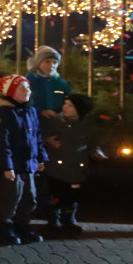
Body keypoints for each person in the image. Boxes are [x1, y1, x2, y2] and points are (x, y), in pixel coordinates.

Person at [0, 75, 47, 246]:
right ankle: (4, 227)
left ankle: (22, 225)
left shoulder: (30, 110)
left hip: (28, 164)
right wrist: (7, 166)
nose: (26, 91)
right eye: (21, 88)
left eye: (27, 87)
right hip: (14, 165)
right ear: (11, 92)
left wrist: (41, 158)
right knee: (10, 198)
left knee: (29, 197)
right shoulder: (3, 113)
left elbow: (37, 136)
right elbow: (2, 142)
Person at [43, 93, 106, 234]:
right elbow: (42, 136)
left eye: (70, 106)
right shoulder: (56, 122)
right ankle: (54, 218)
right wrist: (48, 141)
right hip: (56, 168)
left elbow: (92, 143)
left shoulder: (87, 125)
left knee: (72, 196)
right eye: (65, 104)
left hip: (77, 168)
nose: (65, 107)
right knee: (55, 195)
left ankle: (69, 219)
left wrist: (97, 152)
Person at [26, 45, 72, 122]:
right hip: (35, 122)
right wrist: (40, 111)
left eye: (55, 62)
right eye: (47, 62)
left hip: (58, 123)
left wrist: (62, 114)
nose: (51, 65)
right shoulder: (29, 82)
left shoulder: (62, 84)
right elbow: (23, 104)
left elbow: (69, 102)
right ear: (38, 63)